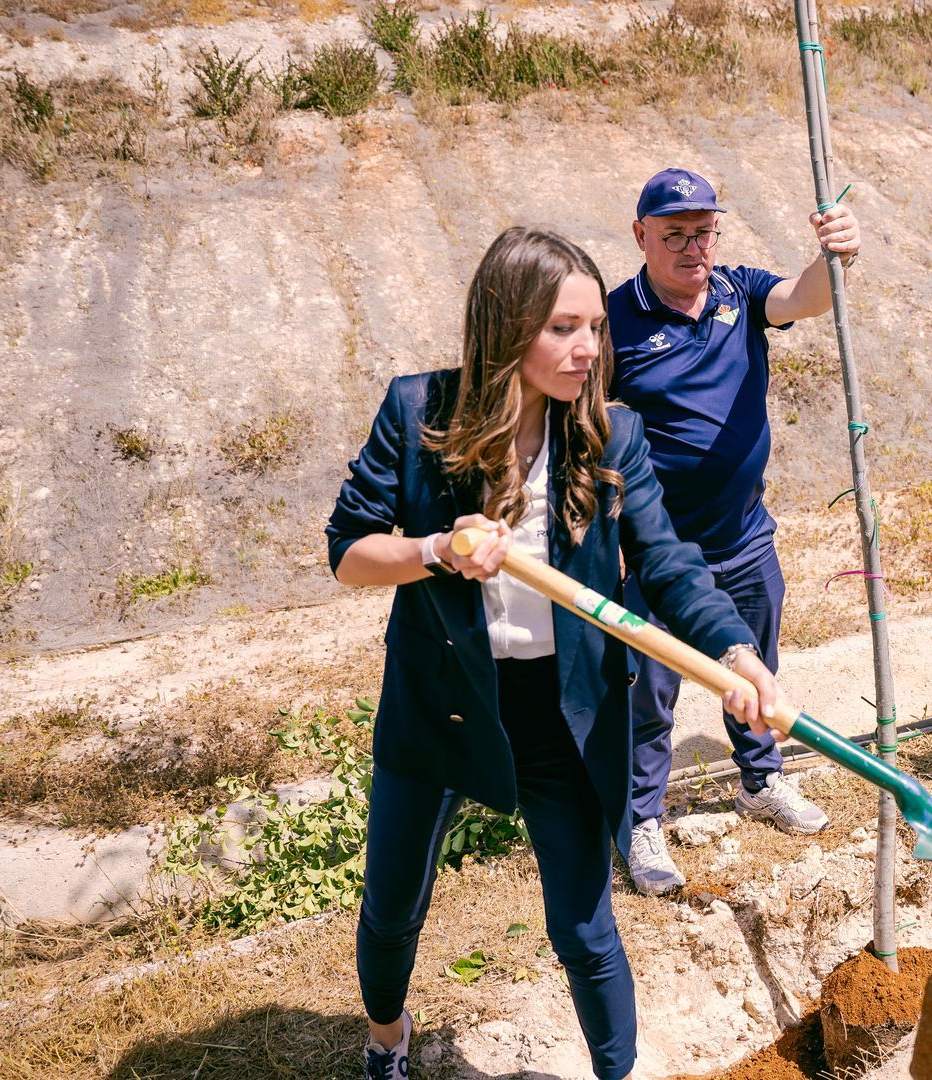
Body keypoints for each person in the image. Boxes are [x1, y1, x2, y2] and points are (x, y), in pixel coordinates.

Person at [325, 227, 783, 1080]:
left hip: (564, 710)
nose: (588, 347)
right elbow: (348, 551)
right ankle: (386, 1037)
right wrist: (435, 550)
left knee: (583, 924)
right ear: (507, 331)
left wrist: (736, 652)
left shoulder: (611, 436)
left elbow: (671, 563)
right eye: (563, 328)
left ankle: (621, 1072)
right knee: (393, 906)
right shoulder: (417, 412)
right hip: (441, 698)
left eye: (595, 328)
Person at [606, 167, 860, 894]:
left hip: (746, 536)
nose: (692, 248)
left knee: (755, 673)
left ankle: (761, 781)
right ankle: (641, 818)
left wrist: (836, 254)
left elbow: (805, 298)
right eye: (675, 234)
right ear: (641, 236)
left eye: (703, 232)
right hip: (658, 556)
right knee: (649, 692)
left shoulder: (738, 292)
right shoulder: (615, 322)